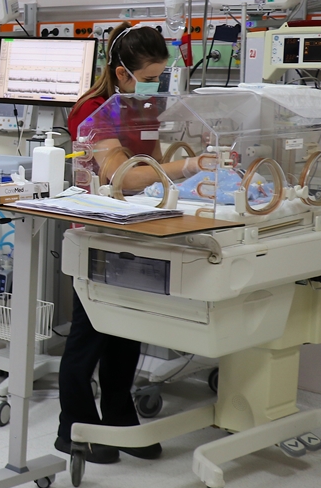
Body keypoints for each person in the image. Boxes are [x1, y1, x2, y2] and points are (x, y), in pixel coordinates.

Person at [56, 23, 212, 463]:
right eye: (148, 77)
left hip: (135, 228)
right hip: (97, 230)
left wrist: (195, 177)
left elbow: (154, 166)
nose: (154, 86)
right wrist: (192, 165)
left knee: (127, 331)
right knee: (90, 334)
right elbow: (121, 176)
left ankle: (120, 421)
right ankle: (73, 429)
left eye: (160, 77)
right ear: (122, 73)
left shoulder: (144, 107)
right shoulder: (92, 111)